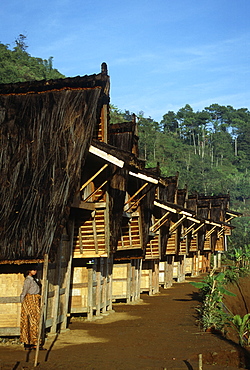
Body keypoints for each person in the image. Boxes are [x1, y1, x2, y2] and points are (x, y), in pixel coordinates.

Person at [20, 268, 43, 350]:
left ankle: (34, 341)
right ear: (29, 271)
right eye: (33, 270)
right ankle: (29, 342)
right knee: (30, 321)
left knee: (35, 321)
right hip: (30, 301)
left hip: (35, 301)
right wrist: (23, 303)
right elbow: (24, 292)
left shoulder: (34, 280)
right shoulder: (28, 280)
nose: (35, 271)